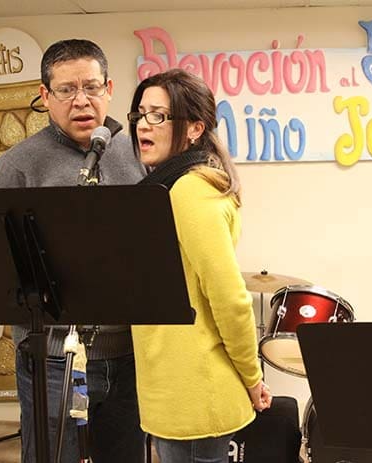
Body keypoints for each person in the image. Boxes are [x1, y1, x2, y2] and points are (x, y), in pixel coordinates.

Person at [0, 39, 147, 462]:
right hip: (52, 360)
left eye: (91, 87)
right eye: (66, 90)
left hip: (130, 354)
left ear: (110, 88)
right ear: (44, 96)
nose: (81, 101)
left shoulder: (138, 155)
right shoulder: (16, 167)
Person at [127, 68, 272, 463]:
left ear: (194, 128)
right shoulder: (170, 187)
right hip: (177, 390)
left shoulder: (190, 190)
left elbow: (229, 297)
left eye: (158, 115)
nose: (144, 124)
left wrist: (252, 376)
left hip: (195, 391)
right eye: (141, 114)